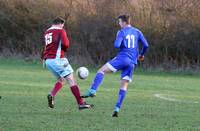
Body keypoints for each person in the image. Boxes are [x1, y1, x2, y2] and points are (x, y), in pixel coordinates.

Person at [81, 14, 149, 117]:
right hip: (132, 62)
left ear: (124, 22)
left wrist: (120, 41)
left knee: (101, 71)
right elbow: (146, 45)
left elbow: (117, 45)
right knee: (124, 85)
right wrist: (141, 55)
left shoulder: (121, 32)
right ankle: (117, 109)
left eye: (120, 22)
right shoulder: (137, 32)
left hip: (122, 58)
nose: (119, 24)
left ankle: (93, 90)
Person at [41, 17, 93, 110]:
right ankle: (81, 103)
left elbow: (46, 47)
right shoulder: (61, 31)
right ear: (61, 24)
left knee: (62, 80)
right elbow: (66, 44)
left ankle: (51, 94)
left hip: (48, 61)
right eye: (63, 25)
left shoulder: (47, 32)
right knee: (71, 80)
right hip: (57, 60)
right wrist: (64, 49)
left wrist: (44, 58)